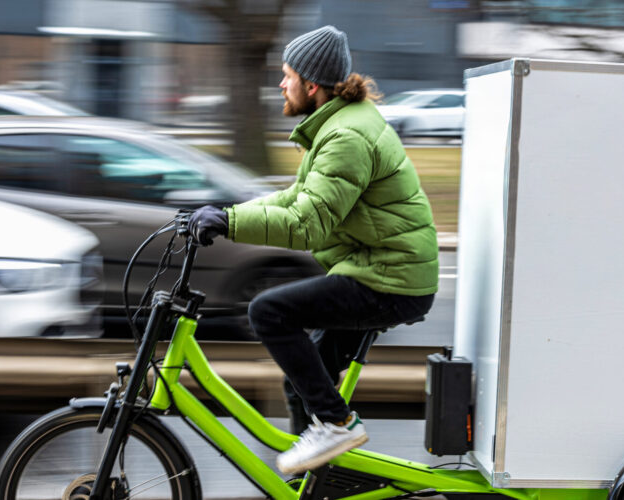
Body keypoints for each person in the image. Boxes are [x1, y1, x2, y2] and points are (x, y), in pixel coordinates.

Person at [186, 25, 438, 475]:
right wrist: (225, 214)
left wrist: (229, 222)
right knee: (301, 382)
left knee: (269, 312)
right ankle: (326, 481)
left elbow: (307, 224)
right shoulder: (338, 126)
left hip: (392, 278)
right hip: (377, 269)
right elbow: (292, 199)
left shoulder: (346, 138)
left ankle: (338, 424)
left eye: (286, 76)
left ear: (312, 84)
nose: (281, 85)